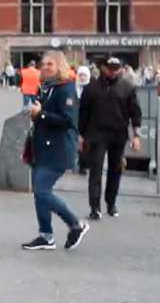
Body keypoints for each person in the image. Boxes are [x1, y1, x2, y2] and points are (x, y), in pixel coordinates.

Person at [21, 50, 90, 251]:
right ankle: (46, 235)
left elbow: (68, 120)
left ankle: (76, 223)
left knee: (42, 192)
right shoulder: (47, 87)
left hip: (58, 149)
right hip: (41, 147)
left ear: (59, 66)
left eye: (50, 64)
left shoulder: (65, 89)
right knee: (39, 193)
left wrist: (41, 114)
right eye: (43, 64)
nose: (45, 67)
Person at [78, 57, 141, 219]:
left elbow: (135, 112)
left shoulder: (127, 87)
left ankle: (111, 203)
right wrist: (80, 135)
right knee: (96, 170)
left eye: (116, 68)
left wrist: (136, 135)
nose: (113, 71)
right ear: (102, 68)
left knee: (116, 169)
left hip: (118, 134)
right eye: (110, 68)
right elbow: (83, 112)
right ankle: (94, 206)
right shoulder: (92, 88)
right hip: (96, 133)